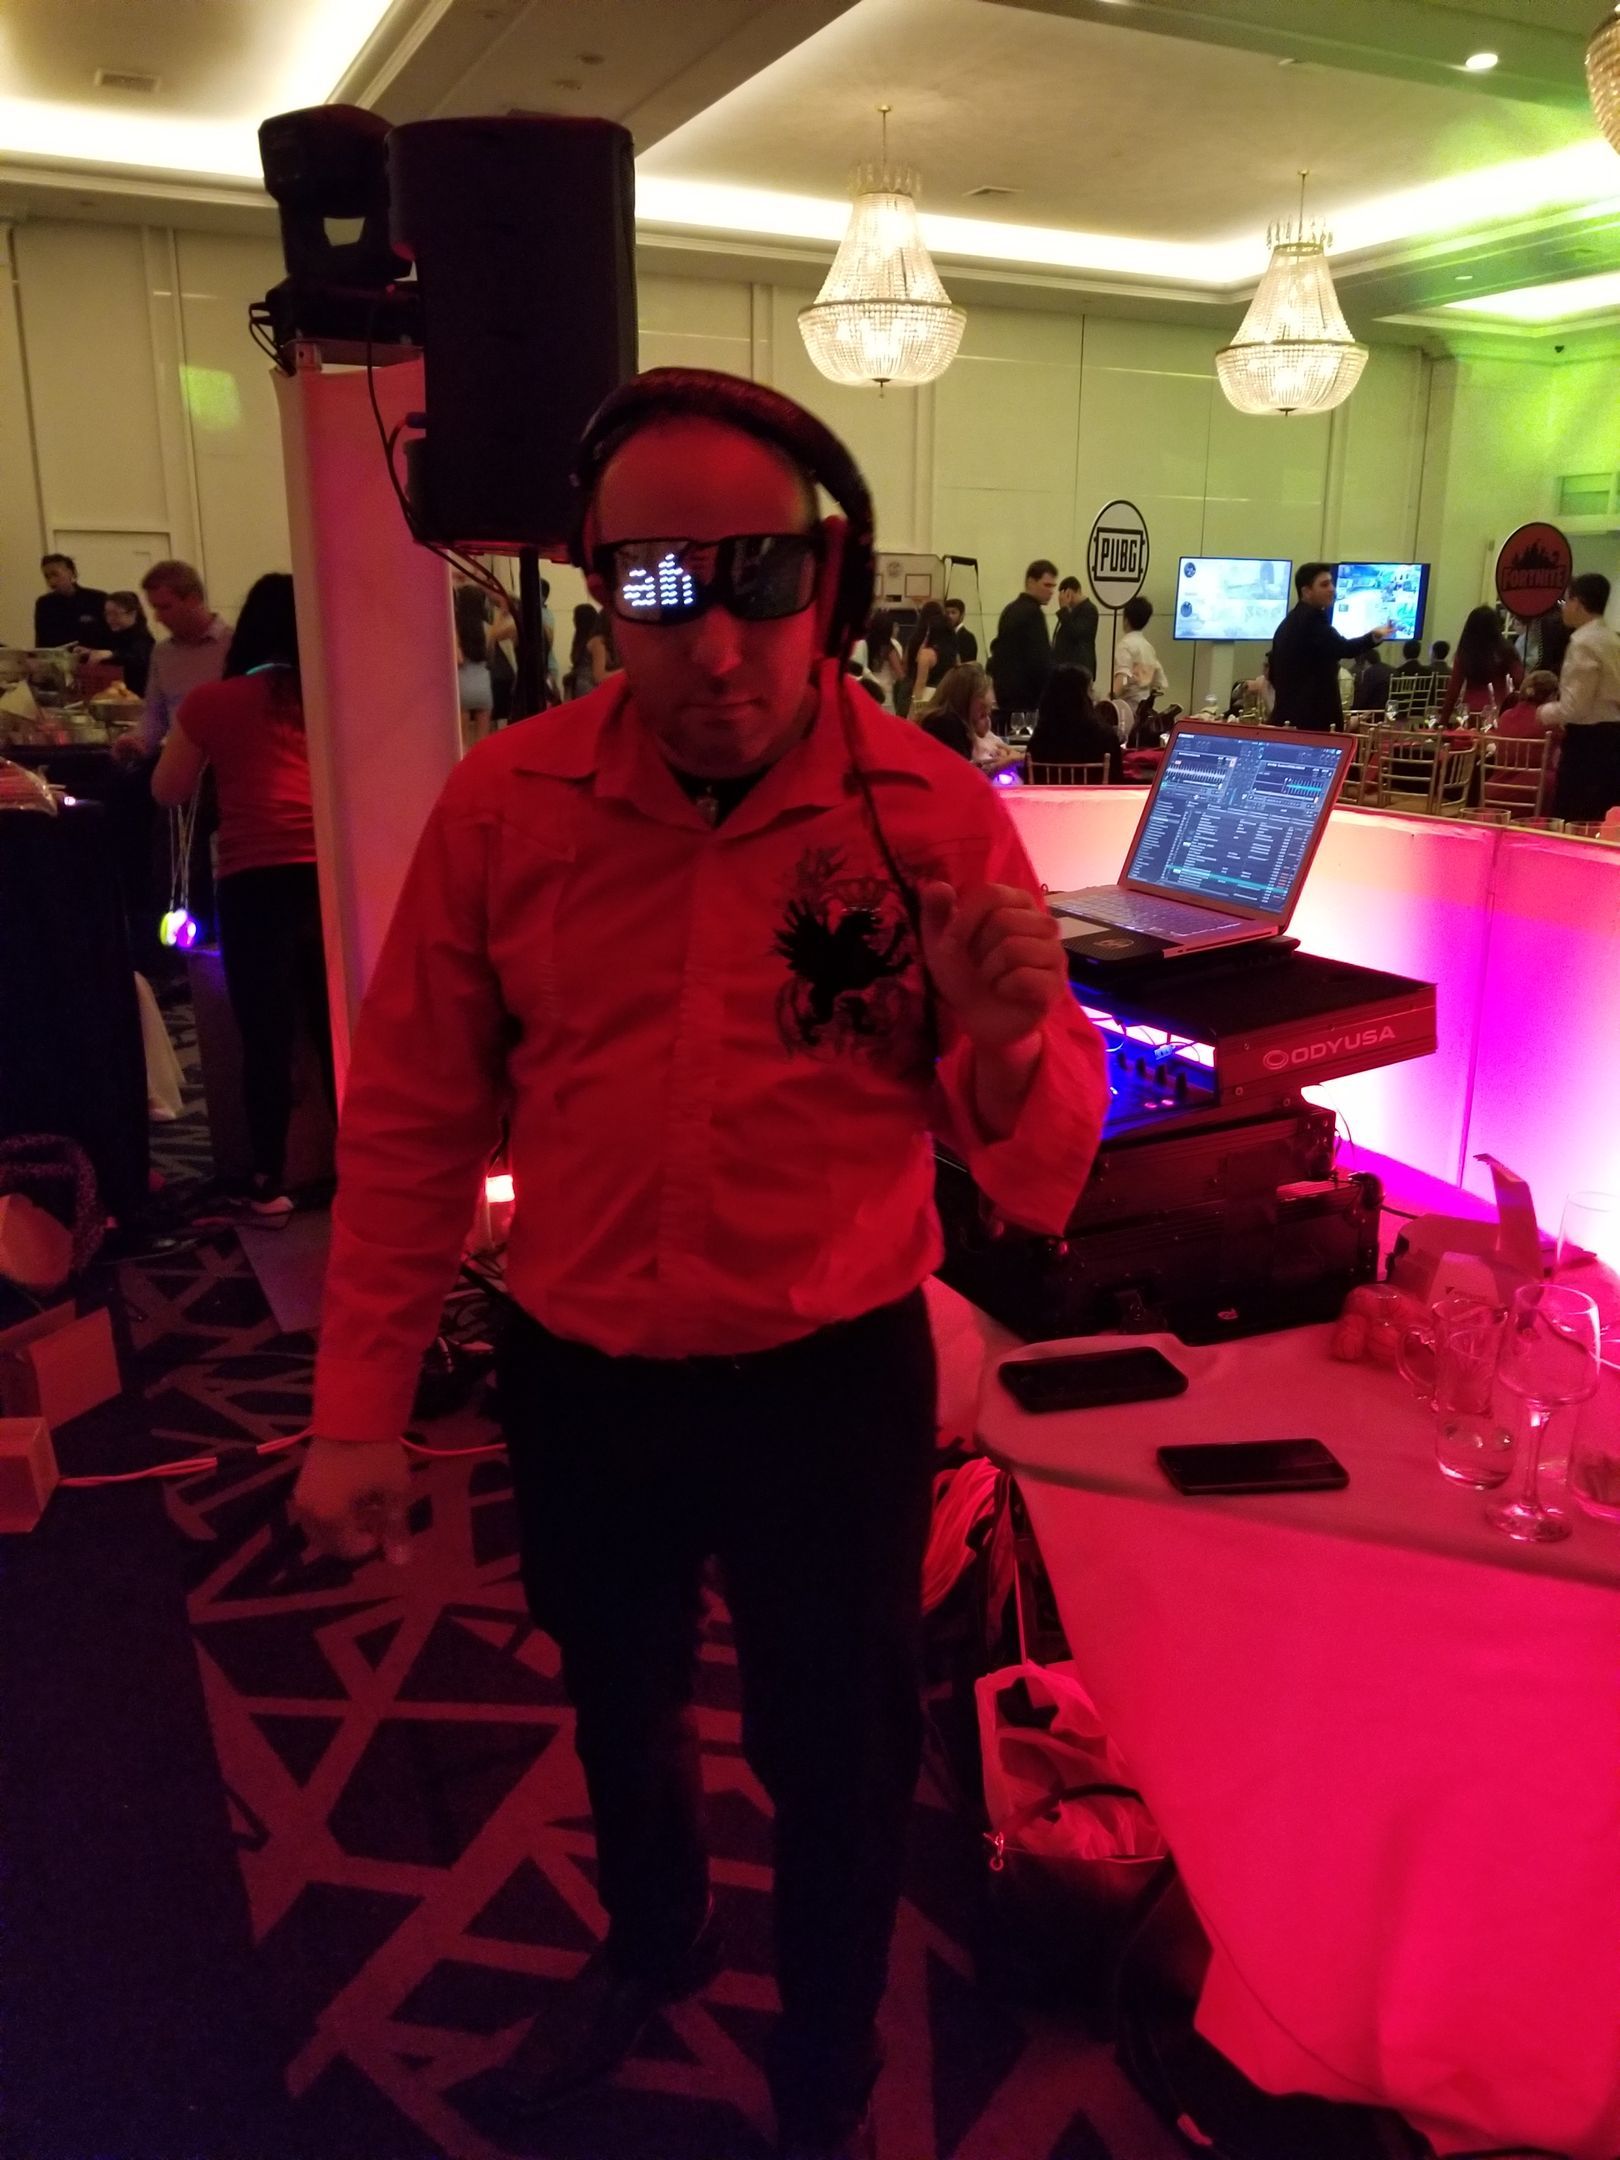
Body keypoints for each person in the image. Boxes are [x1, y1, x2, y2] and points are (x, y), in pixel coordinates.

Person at [291, 368, 1107, 2160]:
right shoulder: (507, 808)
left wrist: (994, 1044)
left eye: (763, 581)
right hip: (582, 1372)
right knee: (618, 1697)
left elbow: (1037, 1170)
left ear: (839, 585)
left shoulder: (934, 816)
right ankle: (655, 1948)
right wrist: (358, 1410)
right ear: (598, 588)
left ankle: (827, 2040)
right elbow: (417, 1115)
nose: (717, 646)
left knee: (843, 1745)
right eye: (660, 586)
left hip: (830, 1381)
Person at [149, 573, 331, 1218]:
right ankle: (347, 1165)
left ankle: (268, 1178)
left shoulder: (211, 701)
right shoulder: (330, 698)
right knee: (333, 1023)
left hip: (254, 879)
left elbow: (168, 791)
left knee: (265, 1030)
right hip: (331, 876)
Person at [1536, 572, 1620, 820]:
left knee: (1576, 816)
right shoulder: (1612, 639)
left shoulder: (1583, 642)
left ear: (1578, 603)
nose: (1563, 608)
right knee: (1605, 818)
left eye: (1565, 601)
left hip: (1588, 743)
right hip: (1613, 737)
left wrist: (1542, 712)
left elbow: (1576, 706)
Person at [1268, 564, 1390, 732]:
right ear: (1306, 591)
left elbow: (1273, 673)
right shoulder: (1312, 620)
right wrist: (1373, 637)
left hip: (1287, 716)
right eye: (1324, 585)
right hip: (1312, 721)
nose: (1332, 589)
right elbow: (1343, 648)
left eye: (1331, 583)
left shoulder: (1289, 622)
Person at [134, 560, 232, 753]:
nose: (158, 618)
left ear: (194, 599)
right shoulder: (162, 653)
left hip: (227, 762)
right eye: (154, 608)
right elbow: (155, 714)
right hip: (180, 763)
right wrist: (138, 740)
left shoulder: (235, 645)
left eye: (165, 607)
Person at [1027, 664, 1124, 780]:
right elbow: (1116, 783)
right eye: (1090, 691)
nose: (1094, 697)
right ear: (1082, 697)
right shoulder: (1106, 739)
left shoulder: (1038, 741)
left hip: (1047, 798)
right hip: (1093, 798)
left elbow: (1029, 781)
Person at [988, 559, 1056, 719]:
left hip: (1004, 695)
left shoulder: (1010, 610)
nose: (1051, 591)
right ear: (1031, 582)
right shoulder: (1033, 614)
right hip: (1026, 700)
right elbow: (1040, 661)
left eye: (1053, 586)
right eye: (1047, 585)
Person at [922, 662, 1018, 771]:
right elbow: (961, 774)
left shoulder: (958, 722)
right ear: (965, 698)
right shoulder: (943, 723)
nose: (988, 720)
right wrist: (1005, 762)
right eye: (982, 714)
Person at [1438, 604, 1523, 724]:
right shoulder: (1505, 650)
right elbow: (1520, 682)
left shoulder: (1465, 652)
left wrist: (1443, 722)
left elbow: (1453, 690)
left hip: (1470, 711)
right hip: (1498, 709)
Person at [33, 553, 109, 649]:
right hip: (57, 661)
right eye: (47, 577)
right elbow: (41, 643)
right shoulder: (44, 604)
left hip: (93, 660)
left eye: (55, 574)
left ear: (71, 572)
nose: (51, 581)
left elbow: (111, 636)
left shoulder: (98, 599)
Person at [1110, 594, 1168, 718]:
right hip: (1144, 710)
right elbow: (1159, 681)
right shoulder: (1148, 647)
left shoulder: (1125, 645)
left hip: (1127, 709)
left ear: (1125, 620)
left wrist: (1109, 699)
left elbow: (1123, 678)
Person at [453, 578, 495, 747]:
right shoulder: (487, 627)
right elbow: (491, 657)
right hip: (483, 685)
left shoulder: (455, 629)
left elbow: (458, 659)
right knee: (482, 743)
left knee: (461, 744)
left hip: (462, 686)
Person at [900, 599, 958, 713]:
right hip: (945, 695)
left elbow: (916, 680)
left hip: (920, 692)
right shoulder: (952, 651)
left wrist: (913, 711)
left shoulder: (918, 644)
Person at [96, 591, 156, 696]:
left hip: (136, 697)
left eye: (115, 614)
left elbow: (138, 659)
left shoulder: (142, 636)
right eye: (107, 614)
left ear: (132, 614)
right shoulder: (113, 634)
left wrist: (112, 655)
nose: (110, 619)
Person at [850, 608, 903, 710]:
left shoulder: (864, 644)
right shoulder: (889, 648)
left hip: (867, 690)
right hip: (884, 693)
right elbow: (900, 675)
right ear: (888, 629)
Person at [1052, 575, 1099, 683]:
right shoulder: (1072, 612)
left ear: (1076, 591)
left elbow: (1075, 632)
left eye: (1068, 595)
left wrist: (1064, 609)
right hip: (1068, 670)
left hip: (1080, 669)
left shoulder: (1089, 610)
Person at [568, 603, 615, 698]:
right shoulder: (598, 642)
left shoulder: (580, 641)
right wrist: (626, 672)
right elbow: (599, 676)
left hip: (580, 686)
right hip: (590, 688)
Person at [1352, 648, 1393, 712]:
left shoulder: (1370, 672)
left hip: (1376, 712)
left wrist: (1352, 708)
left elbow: (1363, 697)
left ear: (1366, 661)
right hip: (1392, 710)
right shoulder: (1392, 669)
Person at [943, 596, 977, 663]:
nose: (950, 616)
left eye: (953, 613)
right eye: (947, 613)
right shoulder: (944, 635)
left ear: (962, 615)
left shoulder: (968, 637)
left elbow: (968, 664)